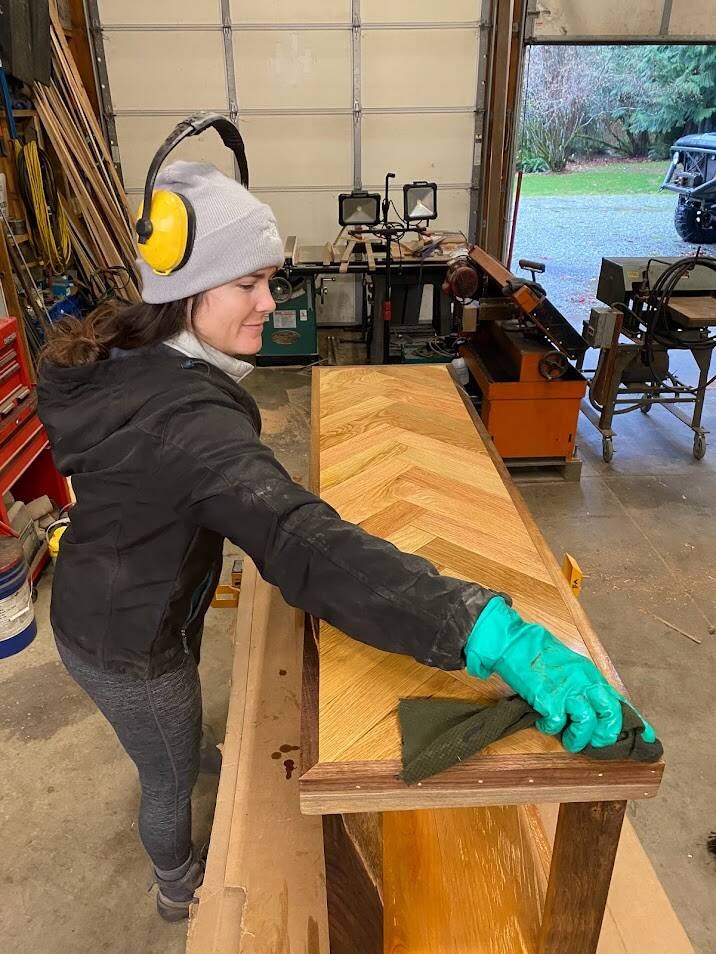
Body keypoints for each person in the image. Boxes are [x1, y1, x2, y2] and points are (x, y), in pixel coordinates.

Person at [38, 161, 653, 921]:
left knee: (175, 723)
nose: (271, 302)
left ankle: (178, 742)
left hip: (133, 590)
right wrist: (488, 632)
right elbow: (303, 543)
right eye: (248, 285)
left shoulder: (132, 353)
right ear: (186, 290)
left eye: (270, 279)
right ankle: (176, 886)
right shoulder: (187, 426)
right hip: (124, 638)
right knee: (164, 780)